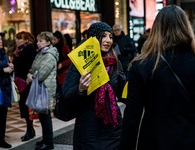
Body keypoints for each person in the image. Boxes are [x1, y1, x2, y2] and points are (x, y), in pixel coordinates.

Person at [120, 5, 195, 150]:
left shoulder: (141, 65)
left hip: (154, 141)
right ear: (186, 27)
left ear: (157, 29)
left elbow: (132, 117)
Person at [63, 22, 126, 150]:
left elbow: (122, 92)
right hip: (88, 129)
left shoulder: (115, 61)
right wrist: (80, 89)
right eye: (104, 36)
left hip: (113, 128)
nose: (108, 40)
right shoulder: (80, 62)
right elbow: (66, 98)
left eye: (110, 36)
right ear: (94, 38)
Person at [26, 31, 58, 150]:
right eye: (38, 41)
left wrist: (31, 76)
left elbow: (42, 73)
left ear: (48, 42)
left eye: (41, 41)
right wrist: (30, 74)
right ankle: (45, 139)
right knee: (42, 116)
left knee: (45, 116)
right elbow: (33, 68)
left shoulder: (49, 55)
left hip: (45, 89)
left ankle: (49, 143)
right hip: (39, 88)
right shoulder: (41, 54)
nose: (38, 43)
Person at [13, 31, 37, 141]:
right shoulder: (18, 50)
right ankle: (30, 129)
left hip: (27, 82)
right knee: (23, 106)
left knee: (28, 107)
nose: (17, 40)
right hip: (19, 81)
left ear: (26, 40)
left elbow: (31, 65)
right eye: (17, 38)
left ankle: (30, 130)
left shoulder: (30, 48)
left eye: (19, 38)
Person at [0, 34, 14, 149]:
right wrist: (3, 69)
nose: (1, 42)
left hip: (4, 90)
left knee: (2, 118)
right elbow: (1, 69)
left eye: (1, 40)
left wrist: (11, 67)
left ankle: (1, 140)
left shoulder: (4, 54)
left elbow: (9, 69)